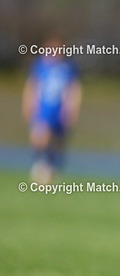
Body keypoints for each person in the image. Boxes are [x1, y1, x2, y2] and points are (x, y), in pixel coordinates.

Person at [22, 35, 82, 184]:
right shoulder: (40, 65)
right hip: (44, 108)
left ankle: (53, 168)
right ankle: (40, 165)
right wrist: (28, 103)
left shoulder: (69, 67)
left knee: (58, 142)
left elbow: (74, 88)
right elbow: (32, 85)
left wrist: (73, 108)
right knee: (40, 137)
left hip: (60, 109)